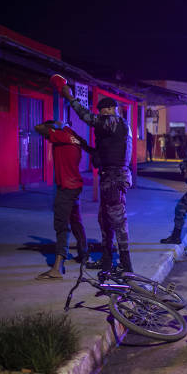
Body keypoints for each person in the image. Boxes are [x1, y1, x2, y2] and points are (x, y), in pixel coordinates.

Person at [56, 76, 134, 273]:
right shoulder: (118, 128)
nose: (100, 116)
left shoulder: (115, 121)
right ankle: (107, 262)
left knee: (118, 221)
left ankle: (126, 267)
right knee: (105, 220)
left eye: (102, 112)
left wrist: (71, 98)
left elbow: (88, 118)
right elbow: (103, 153)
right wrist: (84, 144)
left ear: (108, 110)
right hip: (111, 178)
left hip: (114, 179)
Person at [33, 120, 89, 280]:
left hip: (66, 187)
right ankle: (83, 253)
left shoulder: (60, 136)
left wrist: (53, 124)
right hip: (75, 185)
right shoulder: (73, 137)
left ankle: (57, 267)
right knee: (75, 220)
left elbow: (38, 127)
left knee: (61, 226)